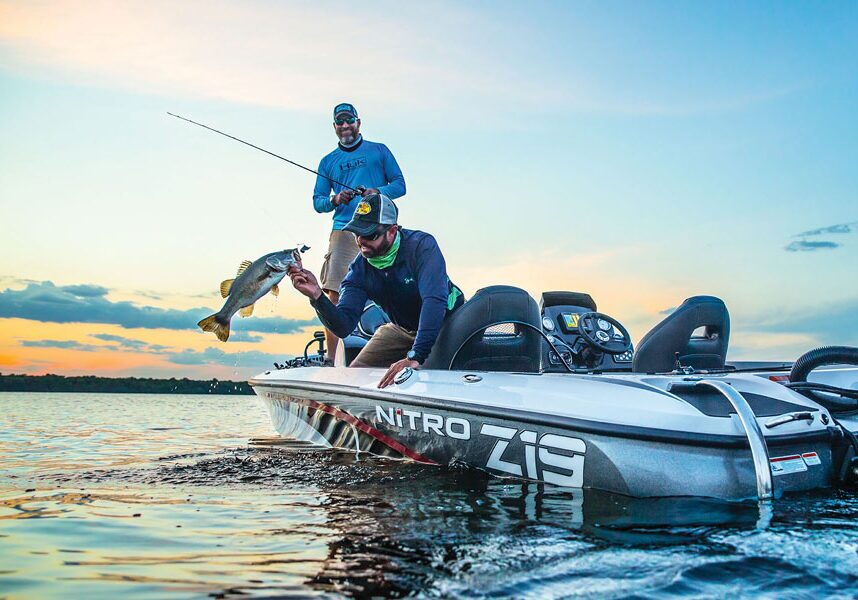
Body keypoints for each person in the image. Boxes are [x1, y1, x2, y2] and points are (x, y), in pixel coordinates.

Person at [289, 194, 464, 388]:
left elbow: (434, 300)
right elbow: (343, 326)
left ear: (392, 231)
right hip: (402, 329)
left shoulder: (421, 246)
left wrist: (415, 356)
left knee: (426, 374)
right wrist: (317, 297)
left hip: (448, 322)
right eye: (357, 233)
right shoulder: (359, 271)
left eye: (370, 235)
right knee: (353, 378)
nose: (361, 241)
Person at [312, 102, 406, 360]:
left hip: (380, 226)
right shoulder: (328, 161)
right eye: (340, 122)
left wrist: (378, 192)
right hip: (344, 231)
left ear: (358, 122)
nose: (345, 126)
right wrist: (335, 199)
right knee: (334, 293)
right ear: (334, 127)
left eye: (349, 121)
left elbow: (400, 185)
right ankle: (332, 360)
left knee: (397, 287)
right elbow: (318, 202)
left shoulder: (379, 150)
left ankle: (402, 349)